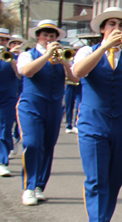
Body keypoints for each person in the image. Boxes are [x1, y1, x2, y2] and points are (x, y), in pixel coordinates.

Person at [72, 7, 122, 222]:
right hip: (92, 121)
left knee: (115, 177)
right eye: (111, 24)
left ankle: (104, 220)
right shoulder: (87, 51)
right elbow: (78, 73)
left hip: (120, 121)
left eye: (121, 25)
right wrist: (103, 47)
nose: (117, 29)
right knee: (96, 177)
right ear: (102, 29)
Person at [18, 19, 78, 206]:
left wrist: (64, 63)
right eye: (45, 35)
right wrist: (46, 56)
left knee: (47, 146)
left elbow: (75, 78)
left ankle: (39, 186)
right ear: (38, 37)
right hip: (31, 106)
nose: (49, 39)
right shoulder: (28, 55)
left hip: (53, 107)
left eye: (52, 36)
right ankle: (28, 187)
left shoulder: (61, 58)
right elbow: (27, 72)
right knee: (33, 143)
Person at [0, 28, 21, 177]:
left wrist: (12, 59)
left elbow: (21, 75)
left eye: (3, 40)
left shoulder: (14, 57)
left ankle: (2, 162)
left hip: (7, 97)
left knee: (5, 128)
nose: (1, 42)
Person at [63, 69, 82, 134]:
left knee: (79, 105)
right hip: (70, 83)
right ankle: (68, 125)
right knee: (69, 105)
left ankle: (76, 124)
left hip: (80, 83)